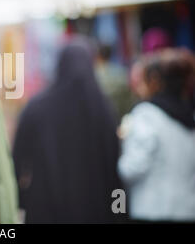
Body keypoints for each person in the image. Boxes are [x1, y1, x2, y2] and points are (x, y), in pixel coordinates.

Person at [13, 36, 124, 223]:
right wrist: (119, 209)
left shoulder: (37, 107)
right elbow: (114, 164)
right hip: (94, 208)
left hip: (45, 207)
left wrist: (22, 198)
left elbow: (18, 158)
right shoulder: (103, 110)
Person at [118, 48, 195, 222]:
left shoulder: (146, 115)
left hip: (152, 210)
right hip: (187, 210)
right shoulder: (190, 115)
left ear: (154, 81)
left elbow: (131, 168)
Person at [95, 43, 134, 121]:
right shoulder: (121, 72)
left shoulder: (94, 75)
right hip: (121, 118)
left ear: (98, 56)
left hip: (103, 121)